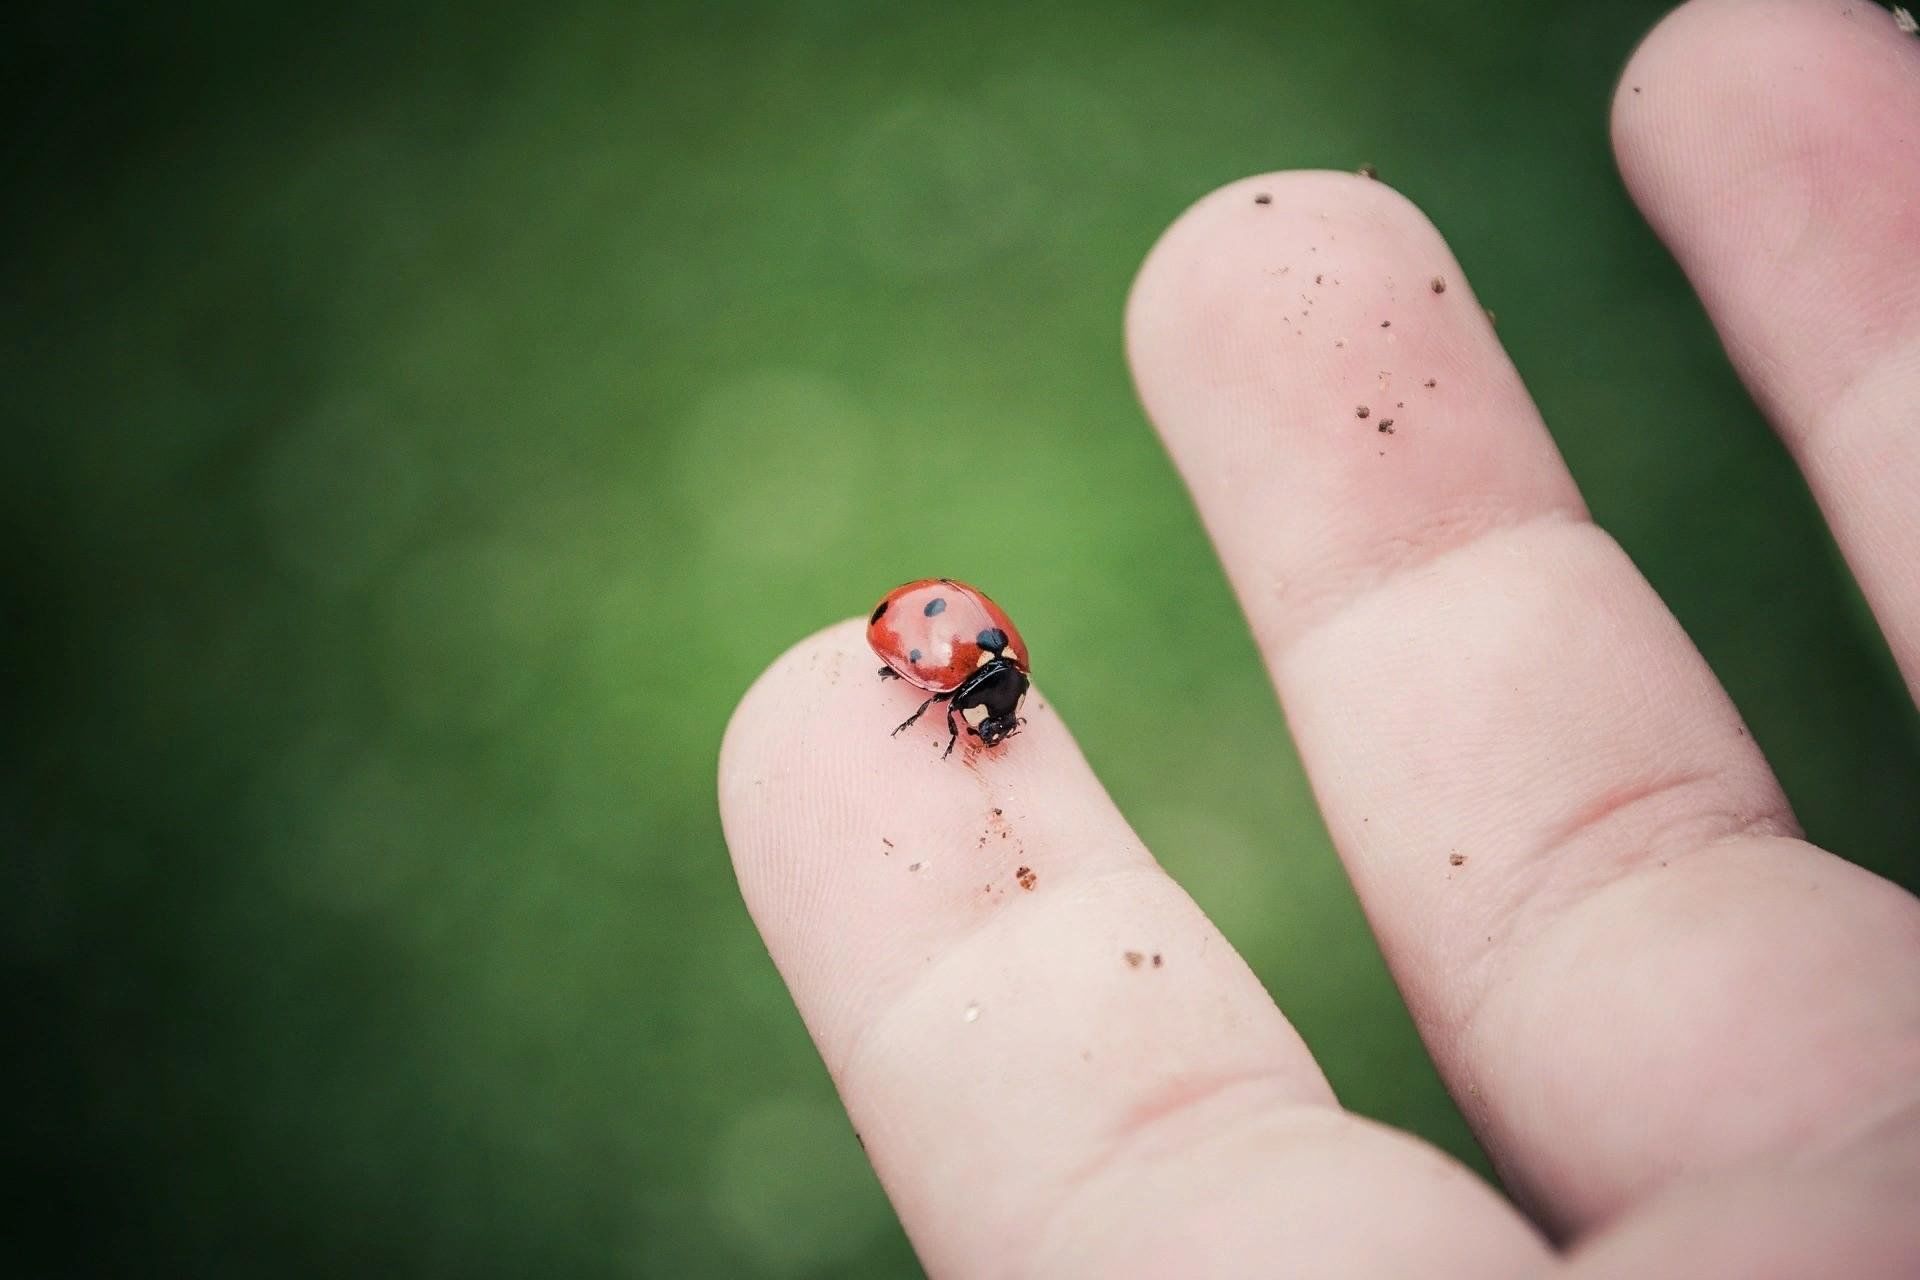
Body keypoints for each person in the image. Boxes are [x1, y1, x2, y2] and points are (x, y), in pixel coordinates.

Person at [719, 1, 1920, 1273]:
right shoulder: (951, 655)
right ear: (973, 683)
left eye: (982, 708)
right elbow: (921, 647)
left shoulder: (962, 664)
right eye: (981, 706)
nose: (986, 714)